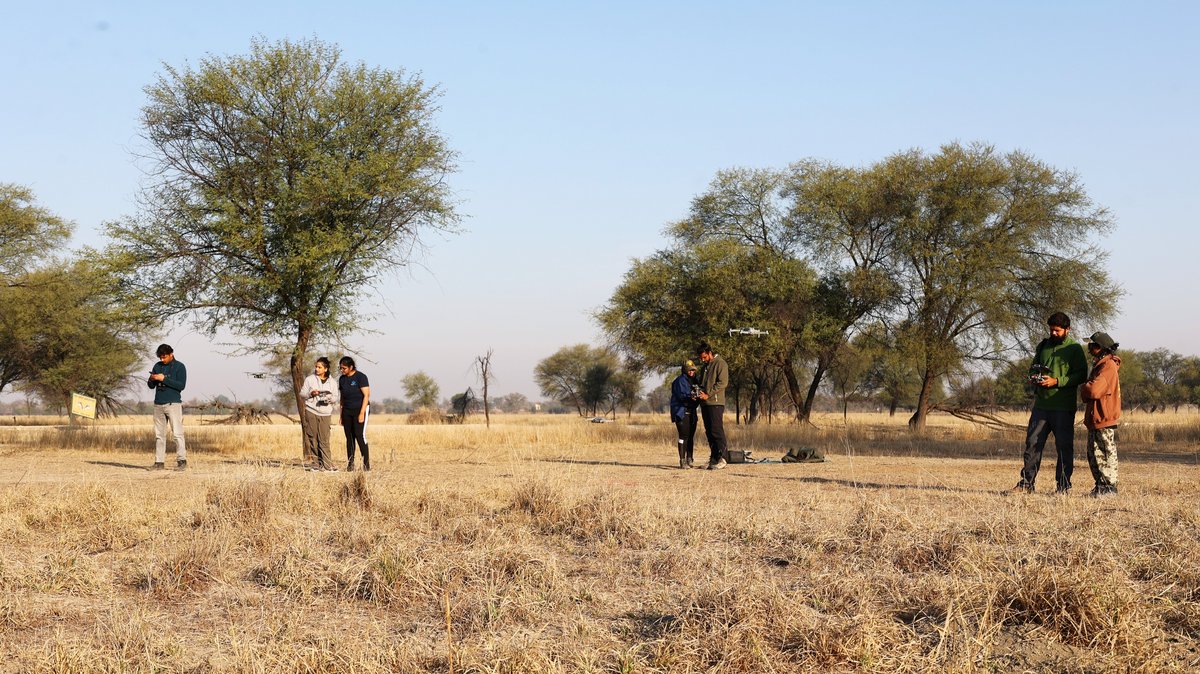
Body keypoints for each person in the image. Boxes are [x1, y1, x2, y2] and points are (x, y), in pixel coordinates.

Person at [1013, 312, 1089, 494]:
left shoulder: (1075, 349)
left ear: (1067, 330)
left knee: (1064, 448)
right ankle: (1026, 484)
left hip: (1063, 408)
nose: (1053, 333)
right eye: (1051, 330)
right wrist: (1033, 378)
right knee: (1032, 444)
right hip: (1041, 407)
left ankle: (1063, 487)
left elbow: (1081, 375)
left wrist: (1056, 381)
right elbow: (1033, 367)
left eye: (1057, 330)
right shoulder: (1043, 346)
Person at [1080, 332, 1122, 497]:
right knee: (1094, 454)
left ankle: (1109, 487)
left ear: (1101, 347)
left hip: (1103, 417)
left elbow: (1094, 390)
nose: (1090, 348)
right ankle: (1101, 486)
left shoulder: (1108, 366)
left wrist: (1084, 387)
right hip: (1096, 417)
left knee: (1104, 453)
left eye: (1093, 345)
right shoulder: (1101, 364)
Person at [147, 343, 187, 470]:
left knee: (177, 434)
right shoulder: (157, 366)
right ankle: (159, 463)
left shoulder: (180, 367)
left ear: (171, 354)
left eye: (164, 357)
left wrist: (164, 379)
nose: (162, 360)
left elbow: (181, 386)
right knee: (159, 435)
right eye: (160, 358)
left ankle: (182, 461)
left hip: (173, 404)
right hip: (158, 404)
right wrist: (152, 379)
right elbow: (151, 386)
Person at [302, 356, 340, 471]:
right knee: (312, 438)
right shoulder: (309, 379)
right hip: (311, 411)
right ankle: (316, 464)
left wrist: (329, 398)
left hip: (325, 413)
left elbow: (335, 398)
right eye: (316, 367)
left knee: (324, 439)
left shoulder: (332, 382)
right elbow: (302, 394)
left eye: (319, 367)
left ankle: (327, 465)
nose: (317, 369)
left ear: (326, 369)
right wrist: (311, 393)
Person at [696, 341, 729, 470]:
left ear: (710, 353)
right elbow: (703, 384)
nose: (703, 360)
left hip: (715, 402)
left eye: (704, 357)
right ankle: (714, 458)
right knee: (709, 431)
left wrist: (708, 394)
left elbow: (722, 383)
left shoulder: (721, 364)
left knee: (716, 430)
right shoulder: (705, 367)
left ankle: (723, 458)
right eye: (701, 358)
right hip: (705, 403)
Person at [338, 356, 371, 471]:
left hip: (360, 409)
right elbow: (342, 398)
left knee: (359, 436)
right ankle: (350, 465)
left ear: (351, 367)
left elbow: (366, 395)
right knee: (349, 437)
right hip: (347, 410)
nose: (342, 370)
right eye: (340, 368)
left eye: (344, 368)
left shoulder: (361, 377)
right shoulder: (342, 379)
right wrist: (341, 415)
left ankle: (366, 465)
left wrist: (362, 413)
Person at [669, 361, 700, 469]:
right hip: (681, 412)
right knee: (683, 436)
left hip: (692, 412)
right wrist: (691, 396)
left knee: (691, 436)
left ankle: (690, 459)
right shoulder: (679, 381)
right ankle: (682, 461)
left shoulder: (695, 381)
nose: (692, 371)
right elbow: (682, 396)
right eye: (690, 369)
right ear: (685, 370)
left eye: (693, 370)